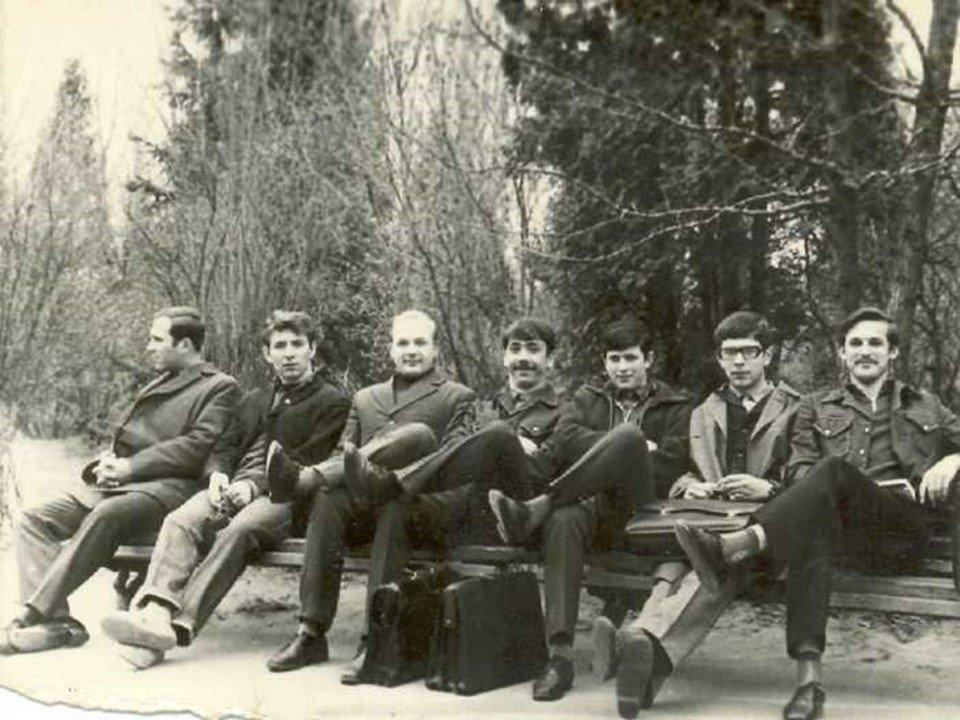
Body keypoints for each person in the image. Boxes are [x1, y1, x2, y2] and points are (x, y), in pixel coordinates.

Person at [673, 307, 960, 720]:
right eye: (855, 343)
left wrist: (953, 460)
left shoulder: (926, 405)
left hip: (901, 533)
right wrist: (833, 489)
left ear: (892, 352)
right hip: (842, 533)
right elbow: (799, 472)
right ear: (842, 352)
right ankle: (808, 685)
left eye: (875, 343)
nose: (864, 351)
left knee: (831, 476)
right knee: (817, 514)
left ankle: (739, 545)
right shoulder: (815, 406)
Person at [99, 310, 350, 669]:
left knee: (240, 530)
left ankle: (177, 625)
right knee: (181, 520)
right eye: (280, 346)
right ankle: (154, 612)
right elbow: (225, 446)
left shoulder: (331, 402)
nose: (289, 354)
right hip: (231, 488)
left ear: (312, 350)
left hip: (284, 498)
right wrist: (217, 475)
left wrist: (252, 486)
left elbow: (310, 460)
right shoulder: (255, 398)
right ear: (267, 354)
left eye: (297, 344)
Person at [2, 307, 240, 654]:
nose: (149, 347)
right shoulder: (161, 380)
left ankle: (33, 612)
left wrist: (131, 467)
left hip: (169, 489)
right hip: (122, 486)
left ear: (185, 344)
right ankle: (58, 623)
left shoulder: (220, 387)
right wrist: (107, 464)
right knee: (33, 519)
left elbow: (197, 446)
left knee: (106, 514)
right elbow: (127, 438)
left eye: (156, 339)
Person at [488, 316, 693, 701]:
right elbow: (565, 441)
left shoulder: (676, 406)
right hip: (592, 509)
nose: (622, 367)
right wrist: (627, 449)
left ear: (648, 359)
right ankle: (560, 656)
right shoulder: (587, 398)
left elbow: (671, 463)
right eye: (614, 359)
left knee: (629, 437)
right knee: (564, 519)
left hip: (643, 514)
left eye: (631, 358)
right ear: (605, 362)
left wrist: (628, 449)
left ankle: (539, 506)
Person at [608, 311, 800, 718]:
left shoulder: (795, 408)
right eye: (730, 353)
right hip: (706, 520)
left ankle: (641, 639)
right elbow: (681, 468)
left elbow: (807, 475)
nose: (739, 362)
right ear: (719, 358)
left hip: (764, 530)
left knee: (713, 562)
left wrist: (769, 488)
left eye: (749, 351)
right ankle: (645, 657)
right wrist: (688, 485)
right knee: (684, 556)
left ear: (768, 356)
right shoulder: (704, 410)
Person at [263, 309, 476, 672]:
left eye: (420, 342)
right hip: (366, 505)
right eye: (403, 343)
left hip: (422, 506)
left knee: (413, 449)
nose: (411, 350)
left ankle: (375, 640)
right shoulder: (365, 398)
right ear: (390, 349)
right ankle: (310, 633)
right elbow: (343, 456)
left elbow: (458, 462)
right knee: (328, 499)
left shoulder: (458, 396)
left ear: (436, 349)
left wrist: (401, 481)